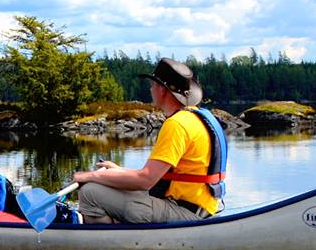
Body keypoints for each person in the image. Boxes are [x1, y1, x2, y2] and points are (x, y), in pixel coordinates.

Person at [71, 57, 228, 225]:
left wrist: (90, 176)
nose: (150, 89)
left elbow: (146, 180)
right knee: (108, 188)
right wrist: (119, 171)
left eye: (152, 85)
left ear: (161, 90)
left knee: (89, 192)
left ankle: (111, 242)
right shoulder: (197, 117)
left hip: (184, 213)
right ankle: (117, 226)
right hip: (204, 209)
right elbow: (156, 174)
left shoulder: (176, 124)